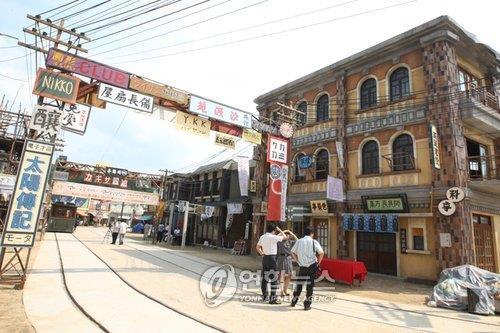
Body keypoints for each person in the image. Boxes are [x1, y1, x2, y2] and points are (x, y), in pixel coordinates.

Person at [290, 226, 324, 311]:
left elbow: (292, 252)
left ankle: (294, 301)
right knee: (310, 286)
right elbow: (321, 253)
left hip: (302, 266)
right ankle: (307, 305)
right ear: (311, 233)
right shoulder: (313, 241)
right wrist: (318, 262)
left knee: (299, 284)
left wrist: (298, 261)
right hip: (312, 266)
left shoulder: (299, 241)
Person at [255, 223, 287, 304]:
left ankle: (265, 296)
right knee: (274, 279)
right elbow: (285, 237)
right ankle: (272, 299)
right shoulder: (273, 237)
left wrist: (262, 253)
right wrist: (280, 230)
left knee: (265, 278)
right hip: (272, 258)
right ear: (274, 230)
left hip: (265, 258)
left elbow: (257, 247)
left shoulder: (263, 236)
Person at [277, 229, 298, 297]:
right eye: (286, 234)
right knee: (282, 275)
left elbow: (298, 240)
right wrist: (283, 232)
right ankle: (282, 291)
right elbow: (276, 237)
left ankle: (285, 290)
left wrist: (292, 234)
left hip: (288, 258)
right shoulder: (279, 241)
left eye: (288, 234)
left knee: (289, 275)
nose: (287, 235)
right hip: (281, 258)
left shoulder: (290, 242)